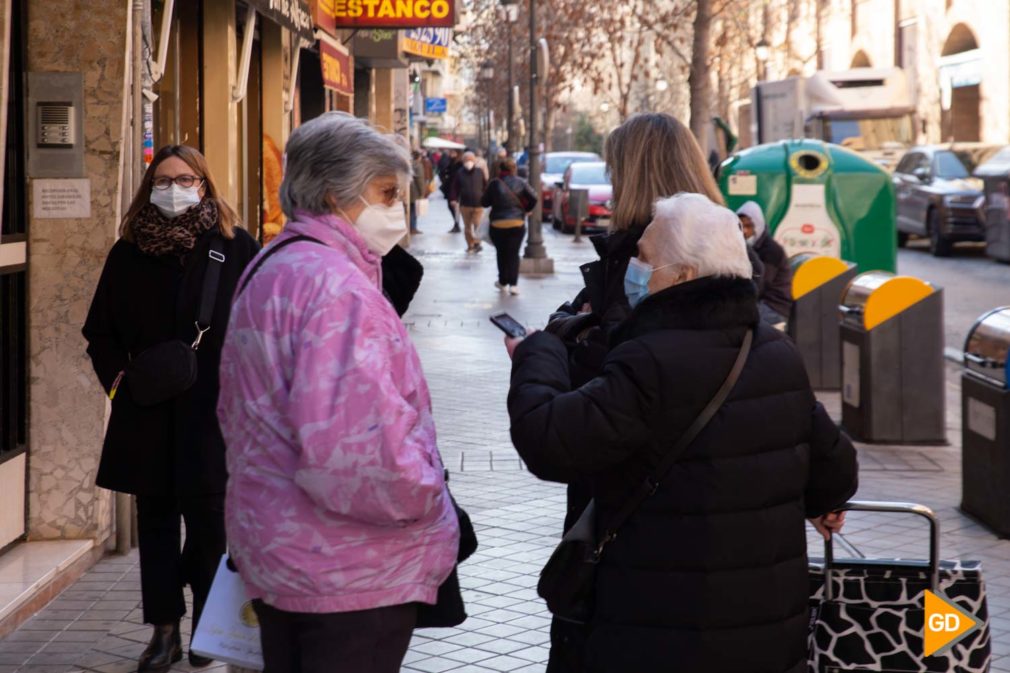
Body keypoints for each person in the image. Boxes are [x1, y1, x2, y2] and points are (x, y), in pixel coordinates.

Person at [506, 193, 858, 673]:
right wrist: (823, 504)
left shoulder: (649, 360)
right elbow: (835, 470)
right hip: (767, 638)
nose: (633, 266)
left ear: (684, 276)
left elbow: (548, 440)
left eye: (645, 257)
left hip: (658, 632)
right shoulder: (777, 351)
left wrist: (538, 351)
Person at [217, 112, 459, 673]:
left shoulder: (277, 264)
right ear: (335, 193)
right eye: (385, 192)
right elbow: (358, 457)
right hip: (347, 568)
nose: (397, 208)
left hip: (285, 550)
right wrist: (431, 501)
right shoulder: (337, 289)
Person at [82, 145, 259, 673]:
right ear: (148, 185)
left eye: (185, 179)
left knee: (209, 529)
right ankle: (164, 632)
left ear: (204, 184)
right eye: (163, 180)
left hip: (214, 414)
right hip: (147, 412)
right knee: (156, 527)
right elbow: (100, 332)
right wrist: (120, 386)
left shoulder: (235, 246)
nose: (174, 188)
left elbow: (260, 325)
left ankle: (209, 623)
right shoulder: (129, 251)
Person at [482, 157, 536, 295]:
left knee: (501, 253)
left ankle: (502, 281)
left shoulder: (494, 183)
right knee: (513, 254)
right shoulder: (521, 182)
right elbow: (534, 197)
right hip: (517, 223)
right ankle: (513, 285)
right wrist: (527, 210)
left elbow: (484, 202)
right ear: (514, 169)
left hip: (497, 224)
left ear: (501, 169)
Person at [737, 200, 793, 327]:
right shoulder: (746, 247)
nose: (744, 231)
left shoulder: (771, 251)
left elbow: (760, 285)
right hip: (758, 303)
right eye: (741, 226)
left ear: (758, 226)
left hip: (774, 306)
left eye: (749, 226)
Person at [451, 151, 489, 253]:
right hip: (465, 205)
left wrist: (487, 197)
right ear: (463, 161)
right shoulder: (459, 173)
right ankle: (470, 245)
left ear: (474, 161)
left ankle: (477, 243)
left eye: (470, 160)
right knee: (467, 227)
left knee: (477, 224)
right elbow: (455, 187)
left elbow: (485, 186)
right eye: (466, 160)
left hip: (478, 204)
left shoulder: (479, 172)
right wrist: (453, 199)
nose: (469, 162)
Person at [438, 149, 462, 232]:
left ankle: (457, 224)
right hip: (450, 188)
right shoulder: (451, 162)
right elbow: (444, 171)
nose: (451, 154)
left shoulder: (459, 164)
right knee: (451, 207)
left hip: (456, 189)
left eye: (453, 152)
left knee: (455, 207)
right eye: (451, 152)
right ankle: (456, 224)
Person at [409, 149, 427, 234]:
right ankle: (413, 228)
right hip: (415, 191)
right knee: (414, 211)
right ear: (419, 157)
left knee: (411, 210)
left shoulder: (409, 164)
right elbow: (420, 180)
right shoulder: (418, 165)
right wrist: (422, 192)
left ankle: (411, 227)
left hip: (408, 191)